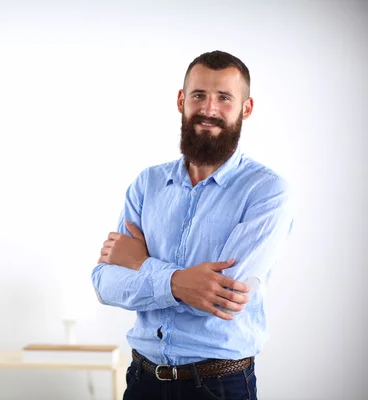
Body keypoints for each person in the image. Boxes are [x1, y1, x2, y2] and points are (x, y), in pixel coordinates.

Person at [91, 50, 294, 400]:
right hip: (142, 381)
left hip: (219, 386)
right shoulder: (148, 184)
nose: (209, 109)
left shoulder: (266, 190)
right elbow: (105, 283)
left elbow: (224, 296)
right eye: (199, 95)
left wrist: (140, 263)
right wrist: (183, 283)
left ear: (246, 108)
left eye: (224, 98)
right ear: (182, 100)